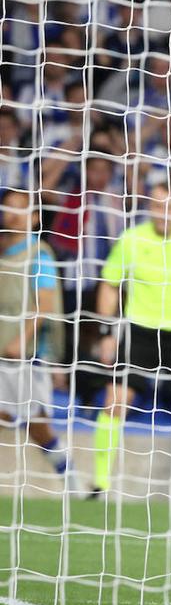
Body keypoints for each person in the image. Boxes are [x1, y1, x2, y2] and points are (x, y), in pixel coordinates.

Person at [93, 185, 171, 494]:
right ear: (149, 207)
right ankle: (99, 483)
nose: (164, 213)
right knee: (115, 402)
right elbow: (110, 284)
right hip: (141, 331)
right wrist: (106, 332)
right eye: (157, 205)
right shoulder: (132, 239)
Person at [0, 189, 68, 476]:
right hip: (3, 351)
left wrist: (21, 339)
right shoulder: (3, 251)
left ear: (35, 217)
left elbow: (45, 304)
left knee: (36, 425)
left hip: (26, 355)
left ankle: (72, 479)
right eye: (8, 208)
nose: (13, 214)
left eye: (21, 208)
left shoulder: (40, 254)